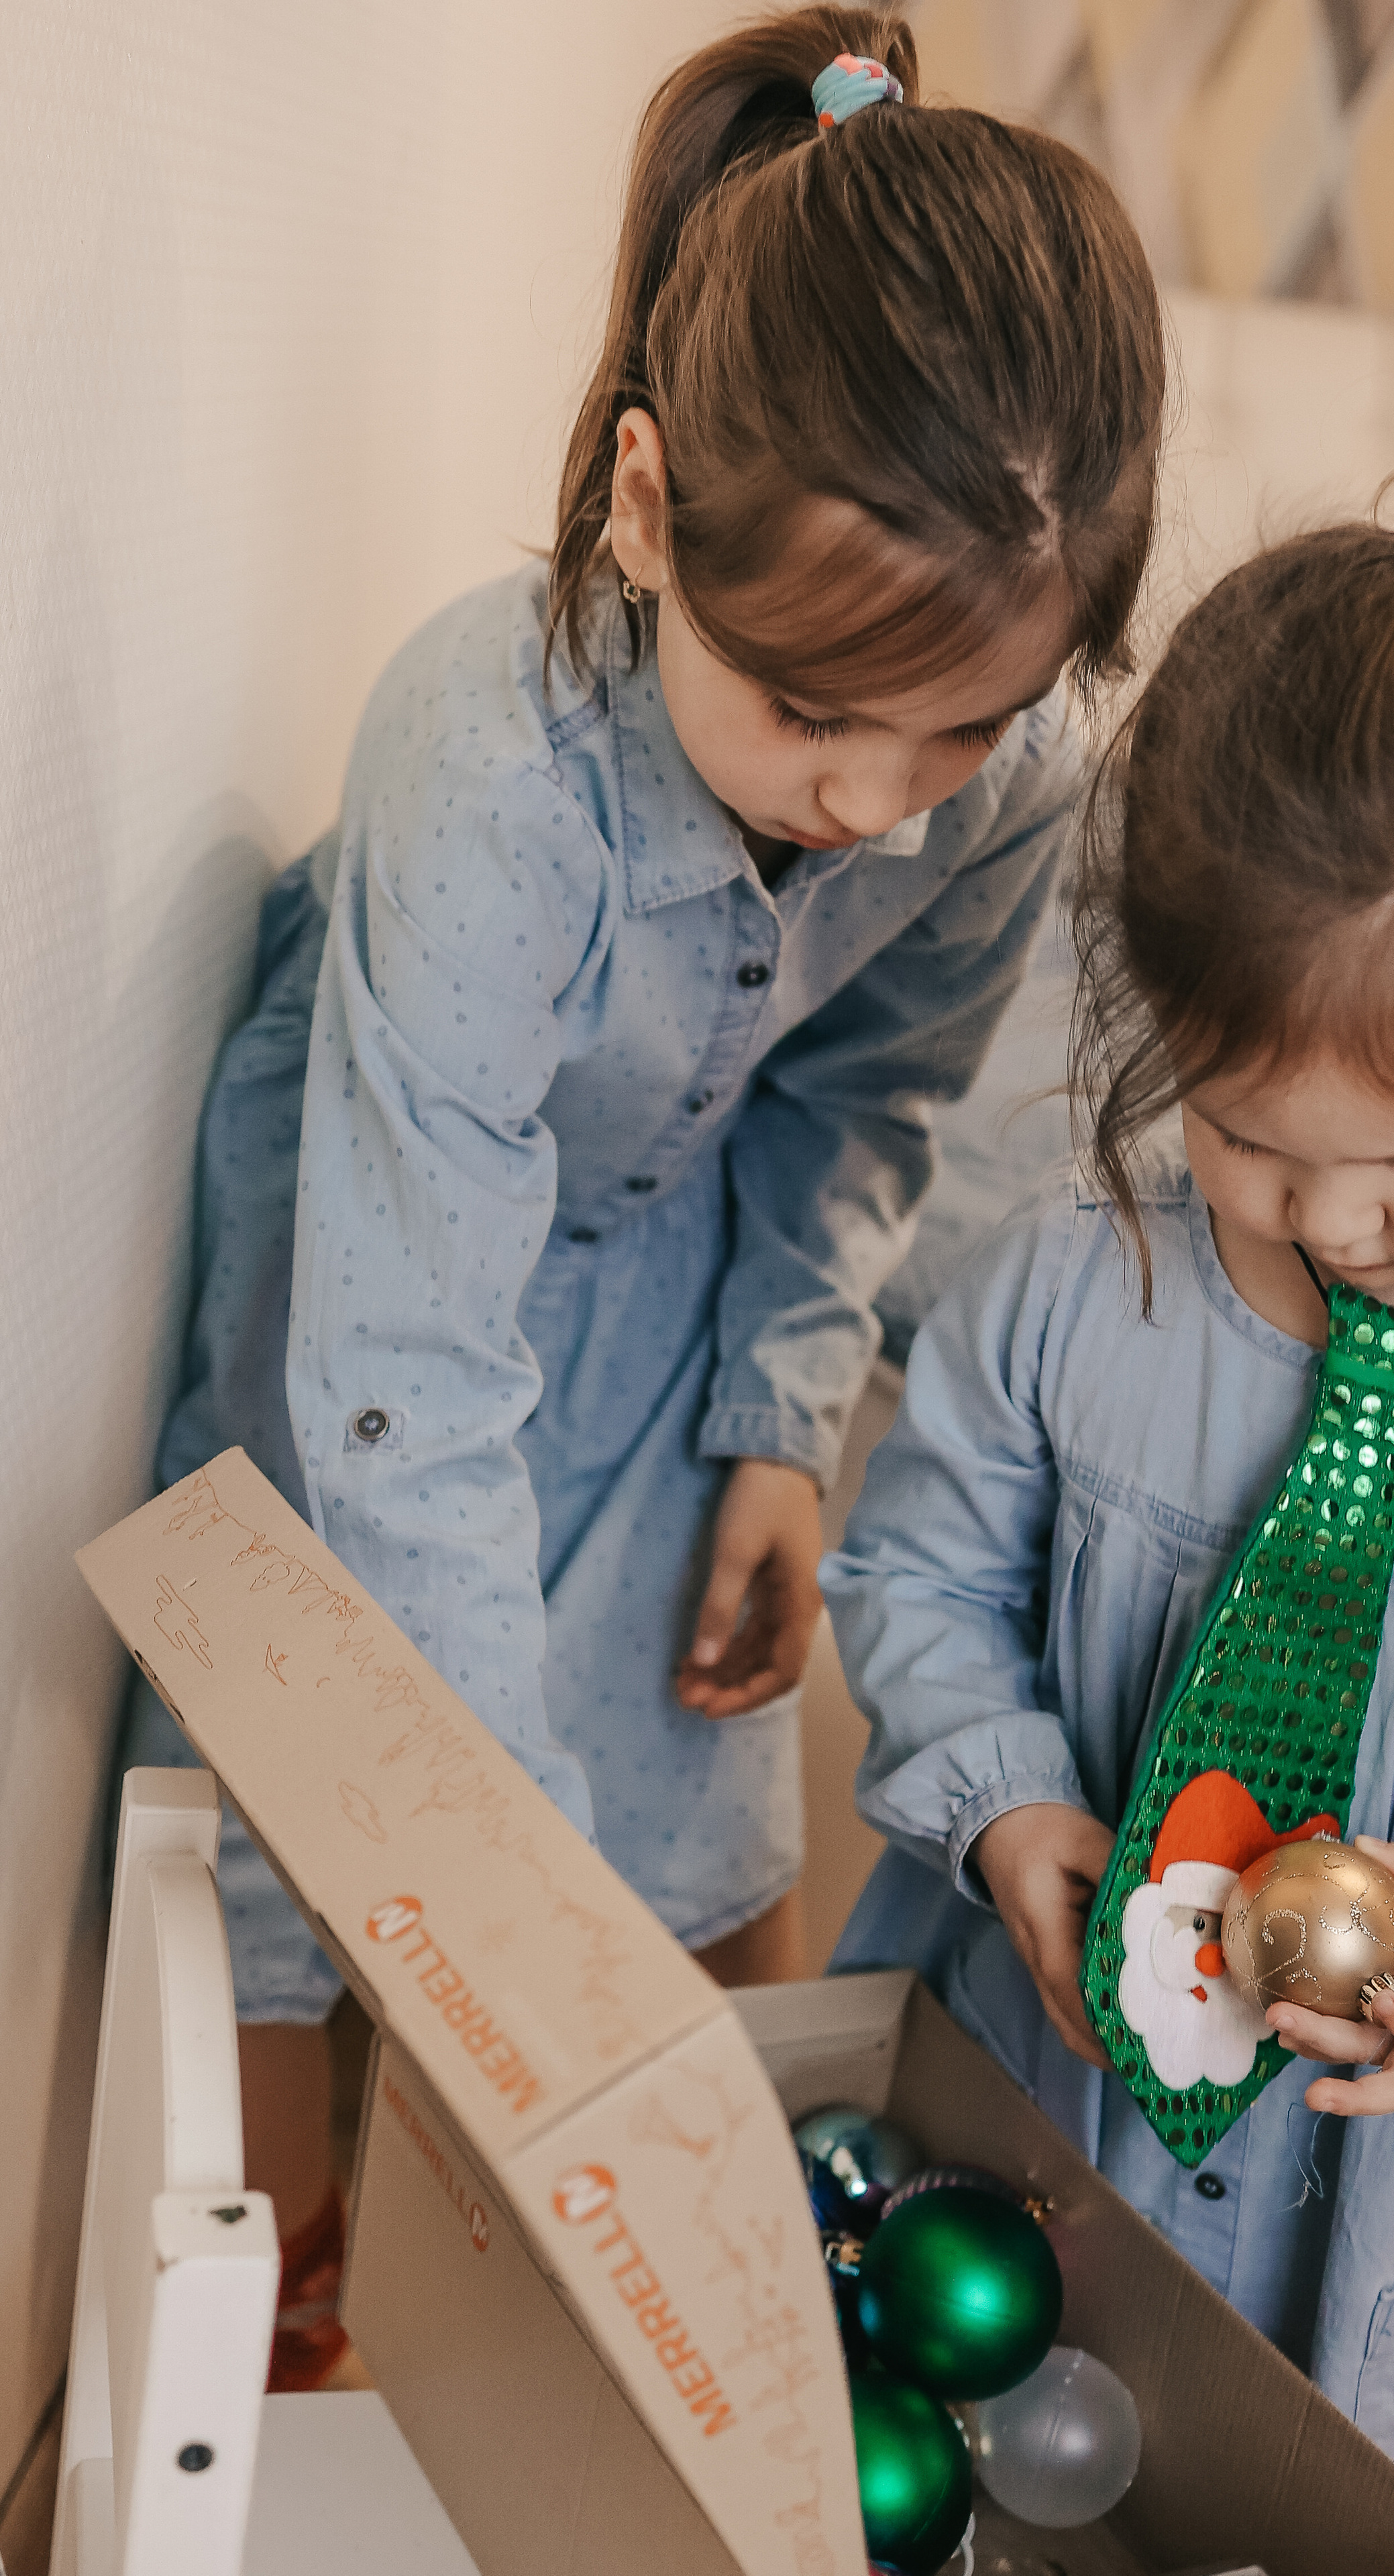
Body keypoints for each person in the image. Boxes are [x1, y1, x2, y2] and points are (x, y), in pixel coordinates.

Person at [121, 7, 1168, 2385]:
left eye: (965, 730)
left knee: (696, 1945)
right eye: (812, 714)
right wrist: (509, 1926)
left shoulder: (990, 787)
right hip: (381, 1316)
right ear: (636, 500)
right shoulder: (492, 773)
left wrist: (785, 1419)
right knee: (349, 1956)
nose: (880, 804)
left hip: (674, 1287)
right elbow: (394, 1385)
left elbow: (868, 1101)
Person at [822, 400, 1394, 2571]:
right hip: (1069, 2107)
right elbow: (922, 1571)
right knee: (1035, 2482)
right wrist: (1019, 1798)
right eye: (1246, 1133)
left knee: (1356, 2517)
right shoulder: (1074, 1278)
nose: (1330, 1220)